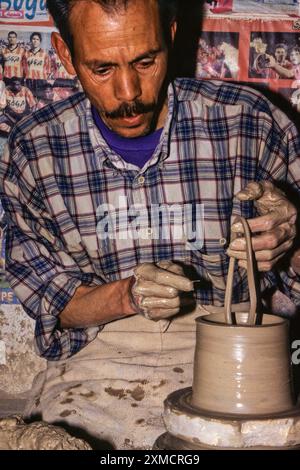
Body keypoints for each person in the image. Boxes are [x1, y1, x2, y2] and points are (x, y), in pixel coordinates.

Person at [0, 0, 299, 450]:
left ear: (171, 35)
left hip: (237, 349)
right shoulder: (36, 148)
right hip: (101, 357)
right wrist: (128, 294)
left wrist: (294, 236)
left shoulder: (250, 123)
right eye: (102, 68)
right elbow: (55, 303)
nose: (128, 92)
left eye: (146, 61)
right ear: (65, 55)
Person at [23, 32, 52, 99]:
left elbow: (48, 69)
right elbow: (24, 68)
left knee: (40, 101)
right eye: (33, 39)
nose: (35, 41)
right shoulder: (26, 54)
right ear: (30, 40)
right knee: (30, 100)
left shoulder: (45, 54)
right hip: (29, 81)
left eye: (37, 39)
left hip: (41, 81)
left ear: (40, 41)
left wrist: (43, 78)